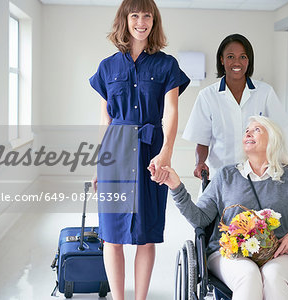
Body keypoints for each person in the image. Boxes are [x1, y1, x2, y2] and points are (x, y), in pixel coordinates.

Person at [152, 116, 288, 300]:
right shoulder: (226, 175)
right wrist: (176, 187)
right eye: (246, 130)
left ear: (273, 138)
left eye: (257, 129)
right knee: (248, 275)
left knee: (273, 277)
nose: (248, 132)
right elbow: (199, 219)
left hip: (279, 253)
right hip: (230, 253)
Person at [88, 0, 190, 299]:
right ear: (125, 19)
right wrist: (98, 165)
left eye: (147, 16)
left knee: (146, 235)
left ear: (154, 21)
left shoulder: (167, 65)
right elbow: (105, 119)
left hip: (151, 151)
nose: (141, 22)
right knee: (112, 235)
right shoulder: (107, 67)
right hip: (115, 153)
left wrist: (166, 153)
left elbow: (171, 112)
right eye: (135, 15)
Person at [182, 34, 288, 181]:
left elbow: (279, 134)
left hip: (257, 176)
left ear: (249, 61)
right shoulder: (207, 96)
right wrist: (200, 163)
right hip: (220, 177)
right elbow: (202, 141)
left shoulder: (265, 92)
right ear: (221, 60)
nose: (237, 62)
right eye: (230, 57)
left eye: (243, 57)